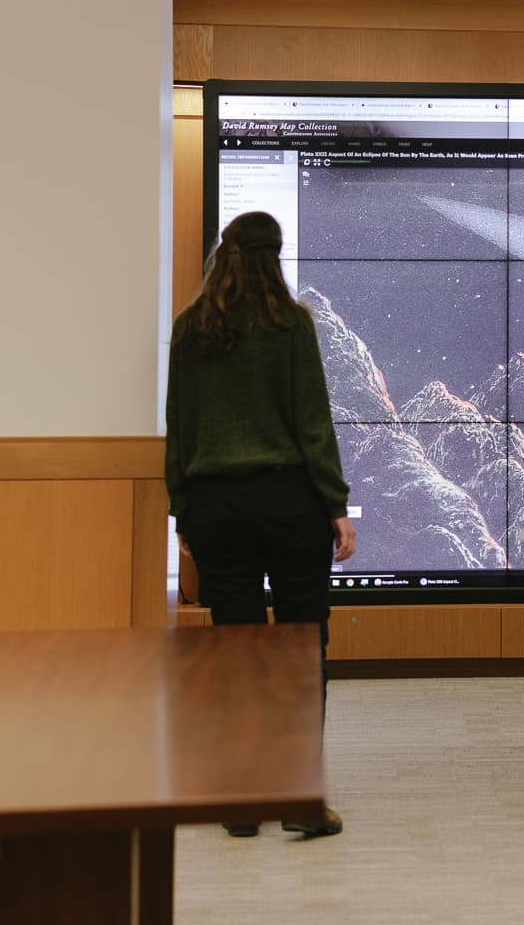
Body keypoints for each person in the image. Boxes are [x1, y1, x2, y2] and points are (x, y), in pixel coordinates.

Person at [165, 210, 358, 839]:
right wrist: (335, 504)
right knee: (301, 650)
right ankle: (300, 799)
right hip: (289, 504)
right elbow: (312, 424)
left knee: (236, 649)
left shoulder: (191, 328)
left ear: (224, 255)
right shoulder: (291, 324)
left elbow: (181, 426)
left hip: (217, 507)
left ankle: (242, 802)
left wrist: (183, 509)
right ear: (275, 258)